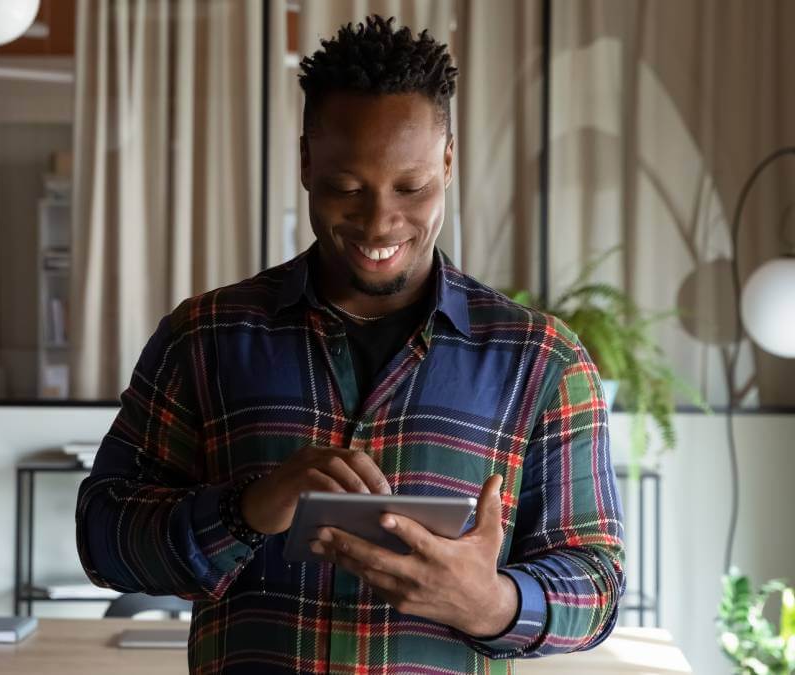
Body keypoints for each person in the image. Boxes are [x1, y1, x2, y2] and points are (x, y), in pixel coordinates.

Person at [76, 15, 624, 674]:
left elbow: (598, 580)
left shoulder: (541, 361)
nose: (379, 221)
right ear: (306, 164)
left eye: (410, 187)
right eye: (346, 188)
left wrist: (491, 602)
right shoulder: (207, 336)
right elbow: (101, 536)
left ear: (448, 161)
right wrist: (247, 509)